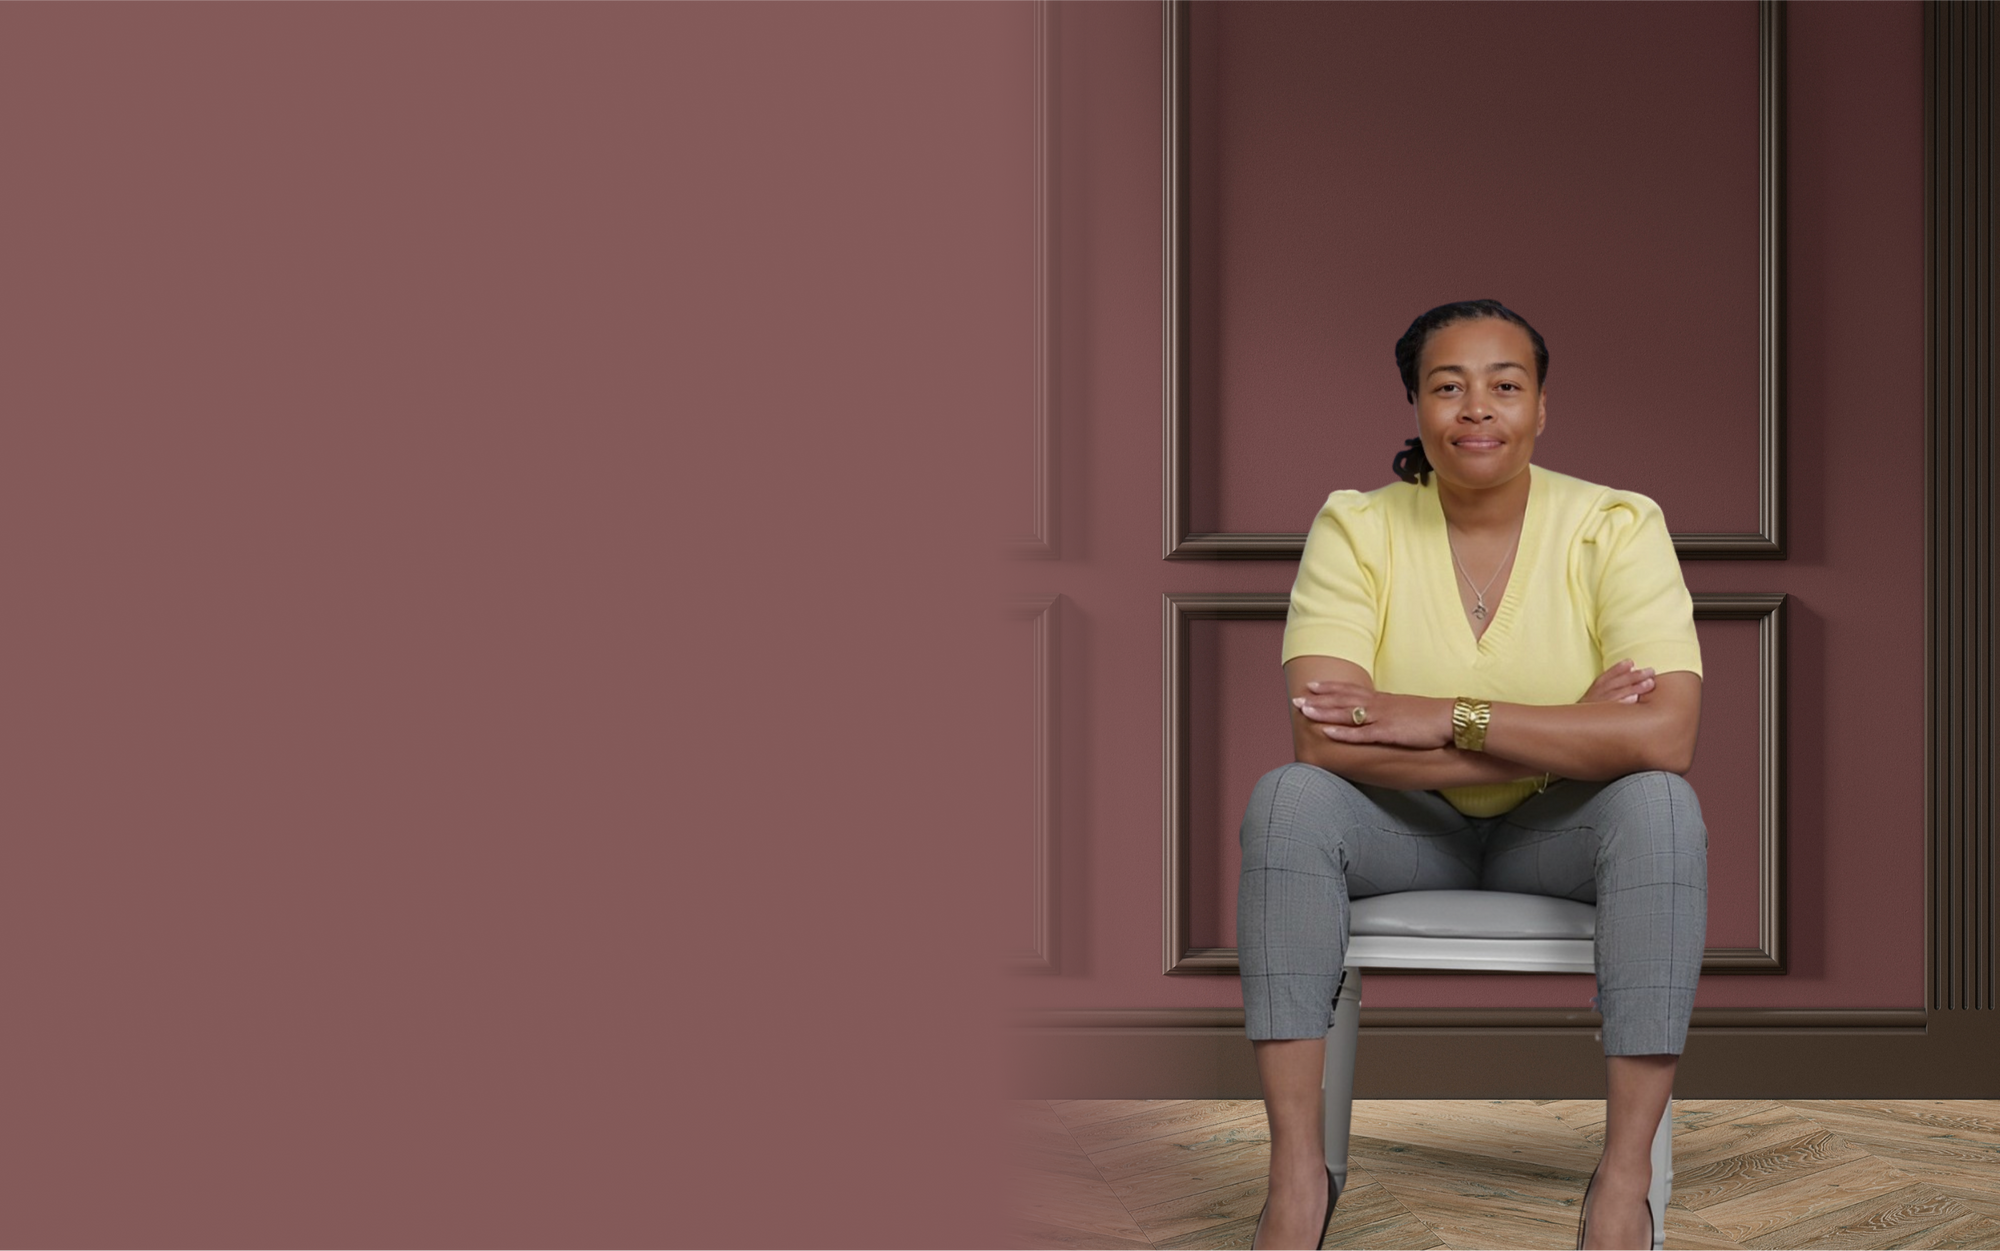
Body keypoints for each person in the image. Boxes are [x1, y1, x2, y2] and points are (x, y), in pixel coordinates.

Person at [1238, 299, 1706, 1251]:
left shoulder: (1616, 524)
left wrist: (1438, 714)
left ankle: (1622, 1186)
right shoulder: (1357, 527)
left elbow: (1666, 736)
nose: (1477, 407)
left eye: (1505, 385)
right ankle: (1297, 1177)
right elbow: (1326, 740)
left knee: (1660, 803)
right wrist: (1572, 722)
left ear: (1542, 407)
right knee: (1287, 801)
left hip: (1559, 833)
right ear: (1414, 404)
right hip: (1403, 829)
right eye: (1448, 386)